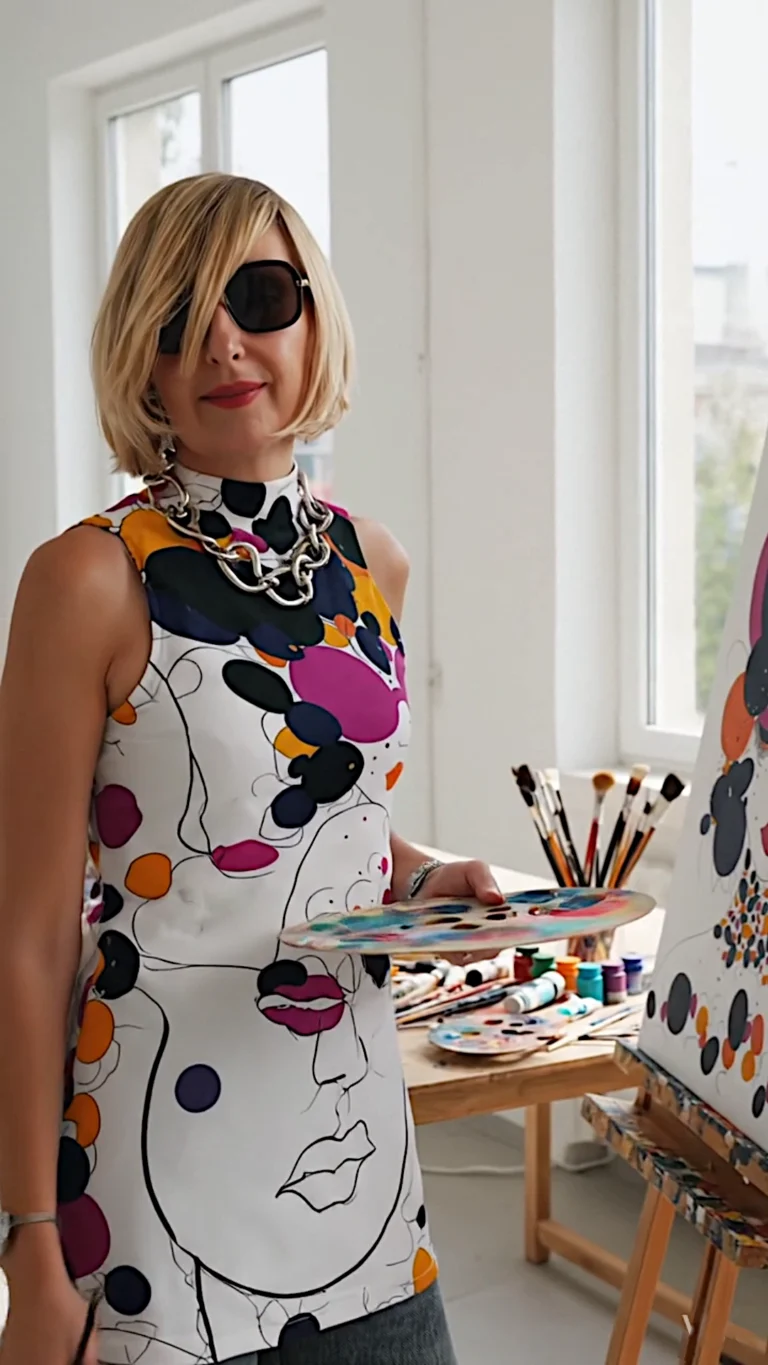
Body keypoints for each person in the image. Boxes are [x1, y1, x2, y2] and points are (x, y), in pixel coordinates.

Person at [0, 173, 503, 1365]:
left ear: (315, 317)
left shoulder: (370, 560)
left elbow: (317, 818)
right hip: (150, 1173)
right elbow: (27, 937)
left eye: (261, 298)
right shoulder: (87, 580)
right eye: (179, 318)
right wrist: (28, 1247)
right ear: (143, 357)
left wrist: (423, 877)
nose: (225, 342)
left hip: (356, 1151)